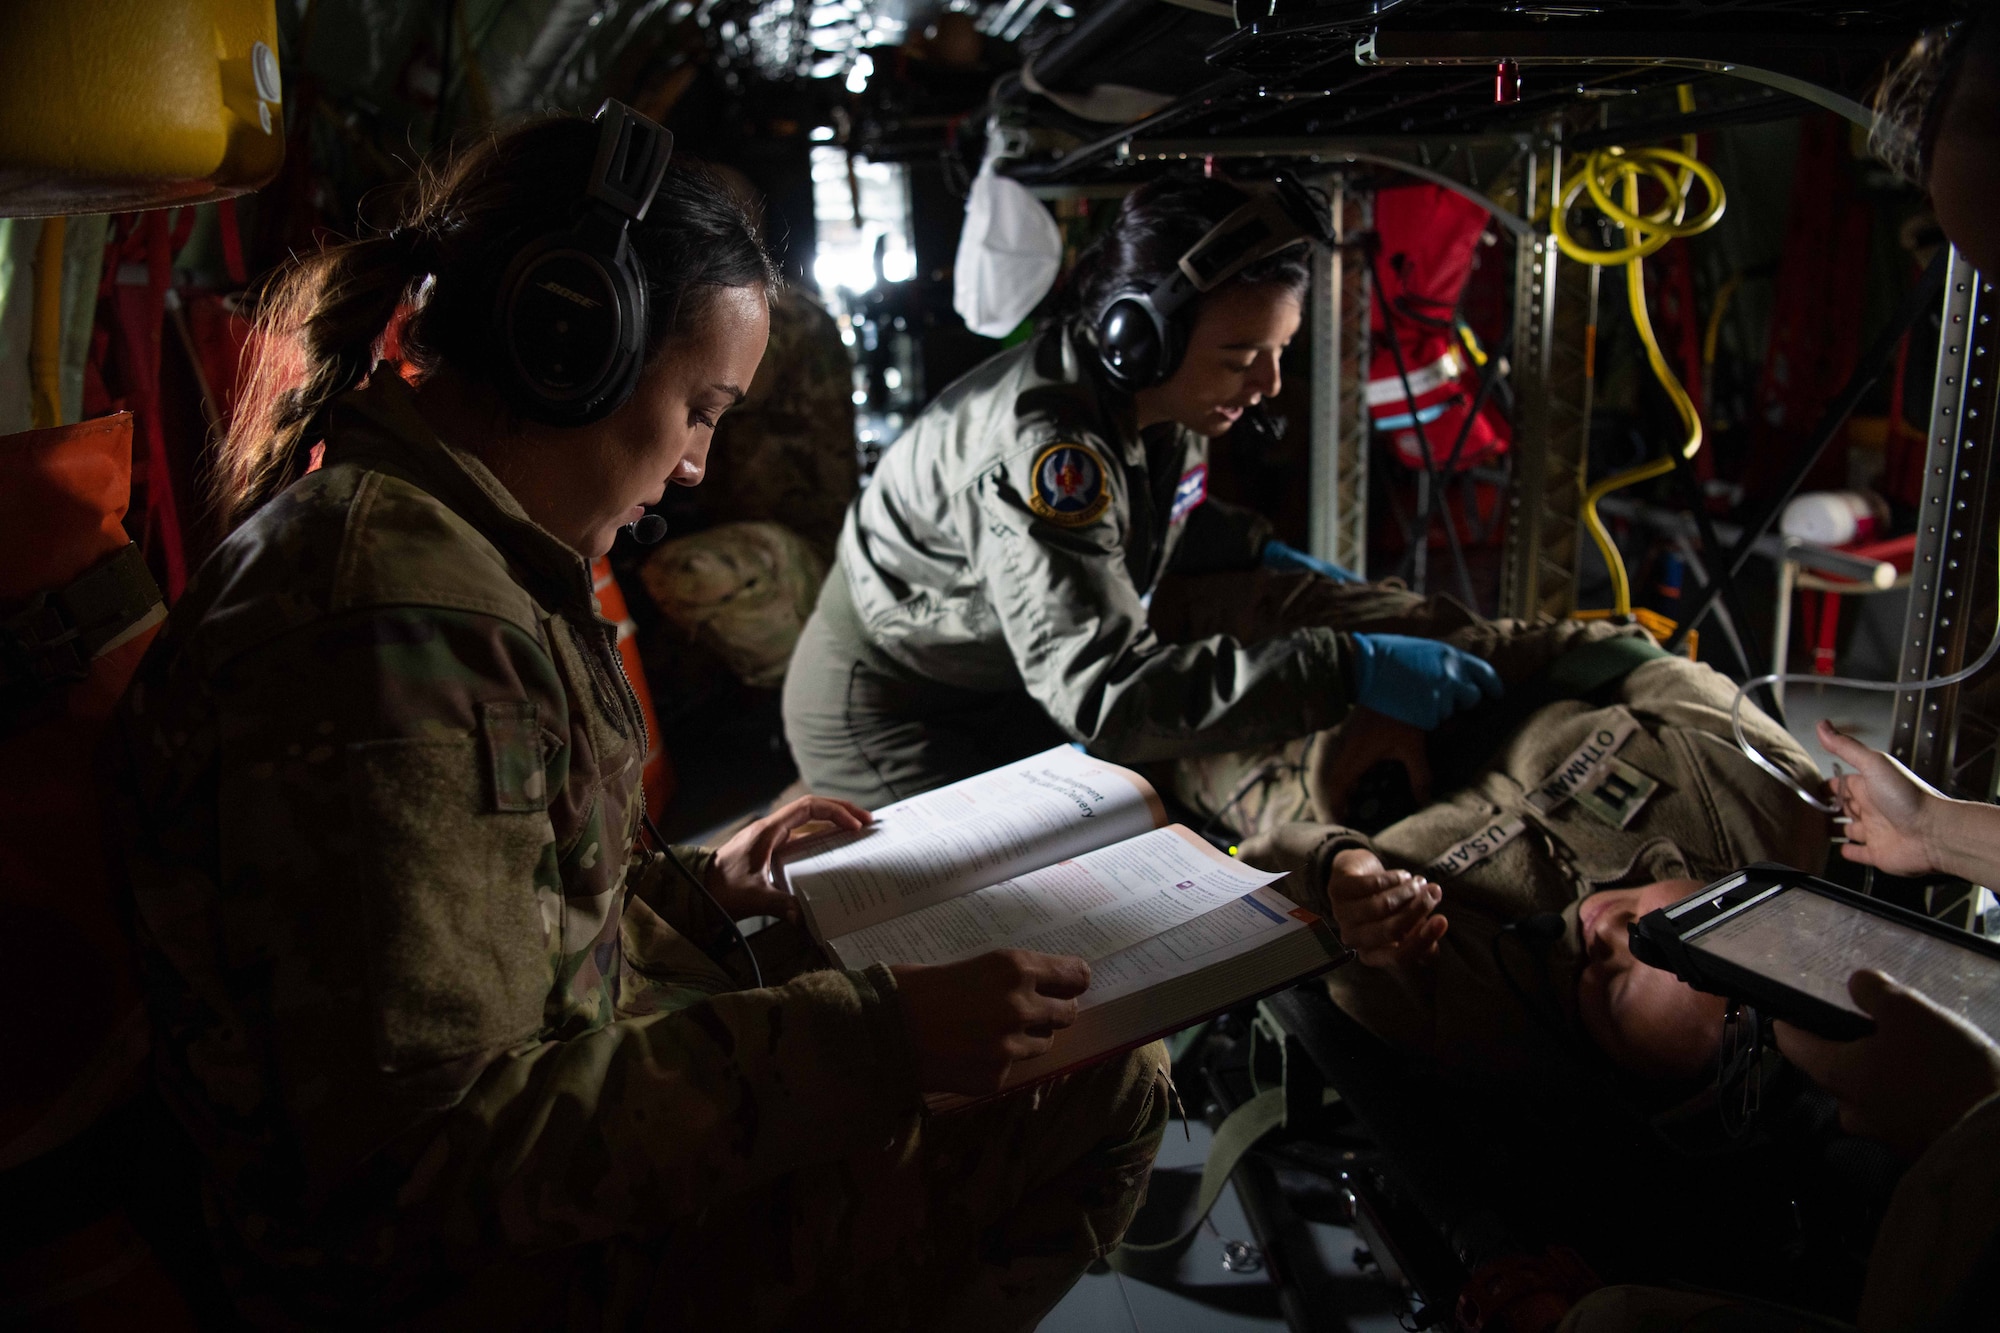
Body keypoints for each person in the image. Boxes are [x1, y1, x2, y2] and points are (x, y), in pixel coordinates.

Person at [106, 109, 1167, 1331]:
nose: (698, 466)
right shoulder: (392, 632)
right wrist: (879, 1045)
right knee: (1102, 1081)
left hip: (528, 1177)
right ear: (573, 349)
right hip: (473, 1285)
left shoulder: (467, 558)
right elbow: (434, 1161)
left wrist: (710, 886)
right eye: (702, 409)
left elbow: (504, 913)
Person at [782, 173, 1501, 808]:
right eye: (1242, 358)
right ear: (1142, 338)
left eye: (1277, 352)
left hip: (996, 678)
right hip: (889, 702)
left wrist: (1265, 551)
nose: (1269, 385)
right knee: (1002, 900)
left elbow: (1146, 508)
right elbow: (1105, 694)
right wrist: (1345, 667)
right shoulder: (1049, 456)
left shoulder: (1153, 396)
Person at [1147, 569, 1829, 1083]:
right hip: (1424, 656)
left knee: (1137, 691)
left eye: (1613, 989)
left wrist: (1338, 875)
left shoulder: (1481, 1021)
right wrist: (1435, 682)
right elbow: (1609, 653)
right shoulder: (1770, 801)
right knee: (1192, 562)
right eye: (1664, 936)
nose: (1609, 933)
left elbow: (1259, 865)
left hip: (1283, 772)